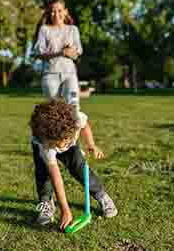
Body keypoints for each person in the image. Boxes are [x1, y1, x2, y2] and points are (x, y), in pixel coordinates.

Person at [30, 99, 118, 231]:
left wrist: (91, 145)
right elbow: (56, 177)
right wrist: (65, 210)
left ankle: (101, 195)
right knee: (44, 175)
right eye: (59, 143)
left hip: (71, 146)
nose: (61, 146)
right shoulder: (45, 144)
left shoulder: (76, 118)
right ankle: (46, 203)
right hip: (44, 145)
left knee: (80, 168)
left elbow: (85, 126)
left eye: (64, 141)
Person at [33, 0, 82, 114]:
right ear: (49, 13)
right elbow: (39, 54)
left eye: (59, 10)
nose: (56, 14)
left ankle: (76, 132)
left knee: (74, 107)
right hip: (50, 76)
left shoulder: (73, 30)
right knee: (54, 111)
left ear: (65, 11)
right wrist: (61, 53)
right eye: (53, 11)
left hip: (70, 75)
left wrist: (71, 51)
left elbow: (78, 52)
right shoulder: (44, 30)